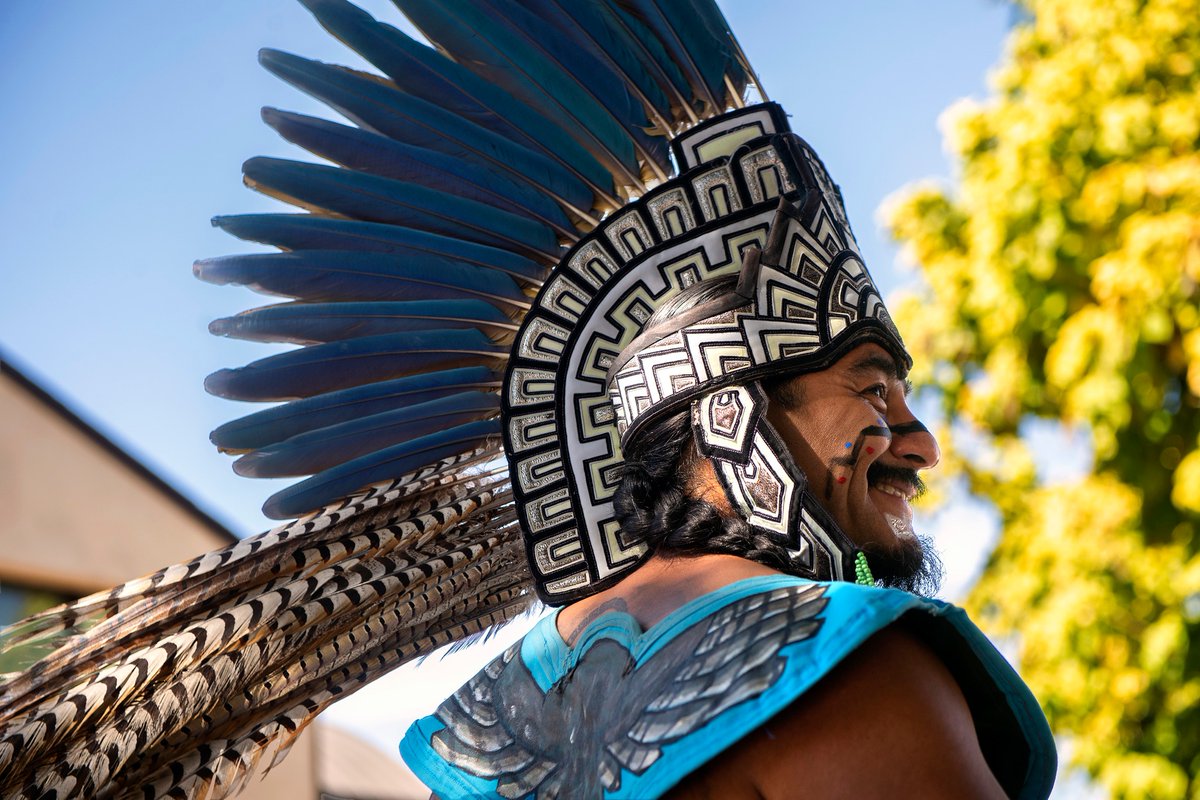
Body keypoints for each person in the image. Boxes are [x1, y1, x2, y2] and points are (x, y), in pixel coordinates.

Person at [400, 108, 1058, 799]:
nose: (922, 445)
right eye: (872, 390)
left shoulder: (473, 740)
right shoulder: (846, 658)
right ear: (731, 418)